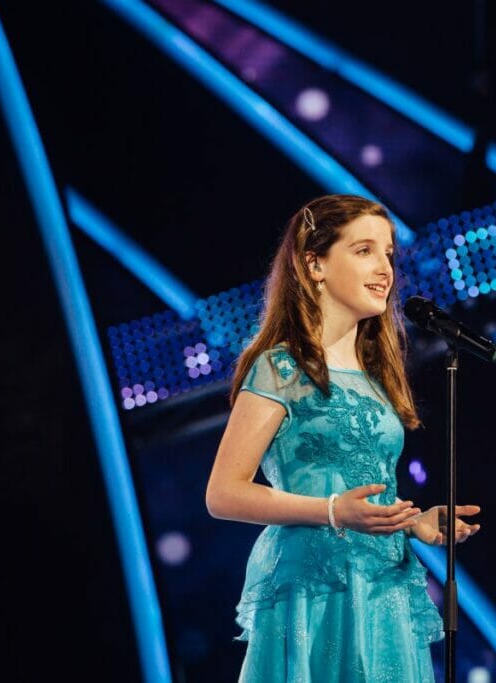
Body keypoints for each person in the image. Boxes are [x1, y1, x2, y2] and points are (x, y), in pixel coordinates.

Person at [205, 194, 481, 682]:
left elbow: (365, 489)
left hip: (383, 594)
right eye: (364, 250)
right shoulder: (281, 367)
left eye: (389, 253)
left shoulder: (376, 379)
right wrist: (334, 511)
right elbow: (223, 493)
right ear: (314, 263)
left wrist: (411, 522)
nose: (384, 268)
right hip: (317, 594)